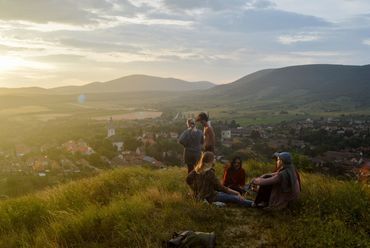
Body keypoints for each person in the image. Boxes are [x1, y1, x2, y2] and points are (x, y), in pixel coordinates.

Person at [186, 152, 253, 207]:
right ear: (210, 160)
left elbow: (188, 180)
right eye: (214, 158)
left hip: (200, 196)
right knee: (235, 198)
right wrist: (237, 193)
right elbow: (221, 188)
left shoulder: (196, 170)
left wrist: (195, 189)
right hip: (212, 196)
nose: (215, 159)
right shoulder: (210, 173)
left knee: (231, 196)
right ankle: (254, 204)